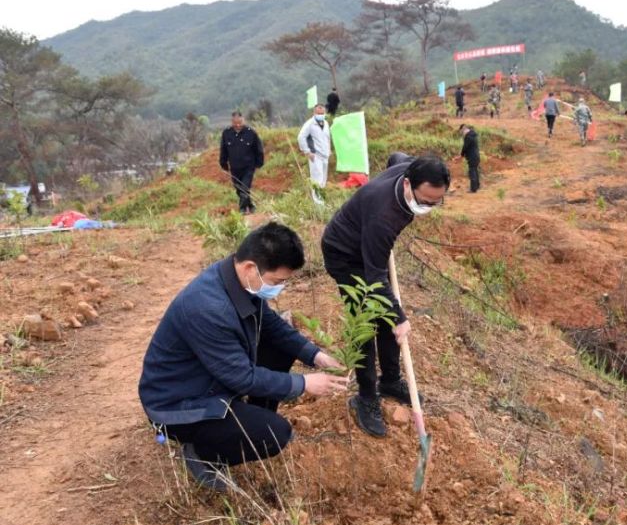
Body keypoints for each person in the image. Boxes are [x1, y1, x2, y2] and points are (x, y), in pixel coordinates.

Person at [138, 223, 348, 491]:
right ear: (251, 268)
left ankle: (245, 422)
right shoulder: (208, 307)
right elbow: (241, 378)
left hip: (205, 379)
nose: (279, 289)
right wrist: (304, 384)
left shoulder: (235, 280)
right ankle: (204, 453)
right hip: (178, 405)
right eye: (277, 282)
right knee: (275, 434)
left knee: (280, 345)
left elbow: (271, 326)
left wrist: (316, 355)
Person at [321, 154, 450, 437]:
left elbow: (397, 157)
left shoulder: (410, 168)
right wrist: (400, 318)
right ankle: (366, 398)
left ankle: (390, 381)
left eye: (435, 202)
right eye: (424, 201)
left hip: (371, 252)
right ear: (407, 184)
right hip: (345, 254)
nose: (428, 207)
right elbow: (375, 278)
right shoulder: (384, 216)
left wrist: (394, 315)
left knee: (388, 316)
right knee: (369, 322)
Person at [219, 111, 264, 215]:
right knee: (239, 189)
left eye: (240, 123)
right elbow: (223, 149)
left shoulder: (251, 132)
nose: (238, 125)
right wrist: (223, 163)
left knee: (244, 187)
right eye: (235, 123)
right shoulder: (226, 133)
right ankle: (251, 206)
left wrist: (259, 163)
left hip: (248, 166)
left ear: (243, 120)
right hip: (234, 167)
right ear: (232, 122)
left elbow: (258, 148)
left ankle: (242, 209)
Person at [298, 104, 331, 204]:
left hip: (325, 155)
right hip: (315, 155)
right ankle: (318, 204)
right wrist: (307, 151)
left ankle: (322, 201)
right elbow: (301, 137)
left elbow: (327, 138)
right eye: (318, 113)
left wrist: (329, 150)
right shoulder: (309, 124)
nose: (320, 115)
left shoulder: (326, 123)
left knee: (323, 180)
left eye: (322, 113)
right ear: (314, 113)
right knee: (317, 179)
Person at [459, 124, 480, 193]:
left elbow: (465, 147)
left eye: (461, 131)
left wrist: (461, 155)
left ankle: (473, 189)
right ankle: (477, 186)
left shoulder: (468, 136)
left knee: (472, 171)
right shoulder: (473, 135)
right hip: (476, 155)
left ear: (463, 129)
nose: (462, 133)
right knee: (475, 170)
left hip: (472, 156)